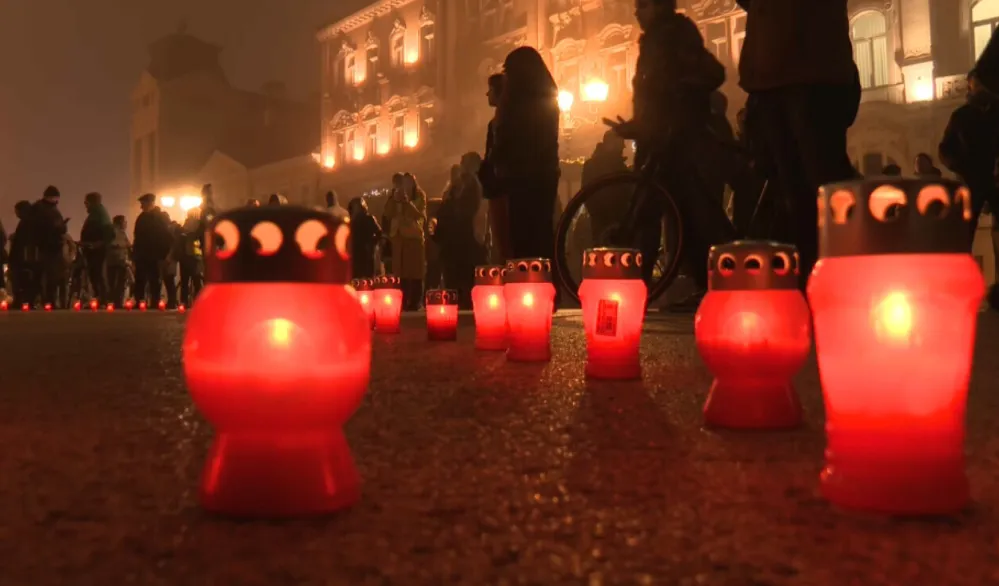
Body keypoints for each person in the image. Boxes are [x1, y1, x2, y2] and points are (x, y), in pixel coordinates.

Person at [605, 0, 730, 309]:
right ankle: (652, 286)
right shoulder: (652, 41)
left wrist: (680, 93)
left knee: (676, 211)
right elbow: (653, 98)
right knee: (662, 211)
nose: (637, 12)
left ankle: (715, 278)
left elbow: (711, 73)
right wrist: (637, 125)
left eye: (643, 5)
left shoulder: (675, 33)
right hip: (657, 139)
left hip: (676, 138)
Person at [736, 0, 860, 288]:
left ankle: (843, 270)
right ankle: (812, 275)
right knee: (795, 188)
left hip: (808, 69)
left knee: (822, 183)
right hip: (778, 72)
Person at [490, 47, 560, 263]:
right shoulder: (547, 100)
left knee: (523, 239)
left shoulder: (516, 104)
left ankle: (527, 278)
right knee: (540, 236)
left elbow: (508, 141)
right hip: (543, 177)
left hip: (521, 179)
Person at [434, 159, 487, 308]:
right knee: (456, 285)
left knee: (464, 284)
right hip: (454, 247)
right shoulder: (452, 197)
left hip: (463, 246)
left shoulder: (470, 194)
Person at [383, 172, 427, 310]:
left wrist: (406, 202)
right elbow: (387, 213)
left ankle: (415, 301)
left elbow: (417, 214)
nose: (405, 185)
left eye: (409, 182)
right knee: (400, 273)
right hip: (399, 240)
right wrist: (394, 200)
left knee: (415, 272)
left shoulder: (419, 196)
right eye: (404, 182)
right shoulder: (395, 196)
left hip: (413, 237)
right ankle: (402, 300)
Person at [581, 130, 630, 243]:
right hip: (607, 222)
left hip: (605, 222)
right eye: (620, 144)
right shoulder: (619, 168)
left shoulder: (593, 165)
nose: (623, 147)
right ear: (611, 144)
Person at [28, 186, 69, 308]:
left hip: (43, 247)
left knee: (40, 276)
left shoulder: (38, 209)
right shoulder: (49, 210)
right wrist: (62, 226)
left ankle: (36, 300)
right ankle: (49, 301)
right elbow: (55, 227)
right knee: (51, 276)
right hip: (50, 248)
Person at [479, 73, 505, 262]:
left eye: (490, 90)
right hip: (498, 186)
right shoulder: (498, 121)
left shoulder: (500, 122)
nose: (487, 95)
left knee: (503, 240)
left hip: (501, 187)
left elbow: (494, 154)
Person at [132, 193, 173, 307]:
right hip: (143, 254)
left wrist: (166, 254)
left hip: (155, 255)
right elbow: (137, 237)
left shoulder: (160, 217)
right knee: (140, 279)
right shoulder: (142, 218)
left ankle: (154, 301)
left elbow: (166, 237)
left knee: (154, 279)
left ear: (150, 203)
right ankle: (140, 301)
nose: (141, 206)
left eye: (143, 204)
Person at [79, 192, 114, 304]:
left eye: (86, 203)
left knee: (97, 274)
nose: (85, 206)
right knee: (95, 274)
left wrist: (97, 244)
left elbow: (109, 234)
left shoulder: (99, 215)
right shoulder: (97, 214)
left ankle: (102, 299)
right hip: (92, 249)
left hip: (97, 251)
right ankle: (99, 298)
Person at [8, 200, 36, 307]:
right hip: (26, 257)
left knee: (19, 280)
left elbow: (21, 241)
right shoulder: (31, 222)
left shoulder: (25, 223)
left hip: (21, 258)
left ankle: (19, 300)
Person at [347, 197, 382, 279]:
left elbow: (379, 234)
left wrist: (372, 244)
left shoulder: (365, 219)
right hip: (361, 255)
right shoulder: (354, 221)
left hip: (362, 255)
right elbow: (379, 234)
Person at [179, 209, 205, 306]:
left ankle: (184, 302)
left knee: (186, 281)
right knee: (195, 280)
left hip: (188, 256)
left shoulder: (187, 225)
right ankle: (197, 302)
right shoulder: (199, 226)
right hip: (193, 257)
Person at [106, 215, 131, 307]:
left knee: (116, 282)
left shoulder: (121, 233)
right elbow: (114, 244)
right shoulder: (115, 232)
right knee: (117, 282)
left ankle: (115, 301)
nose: (126, 224)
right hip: (117, 261)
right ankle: (116, 302)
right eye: (124, 221)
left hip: (117, 261)